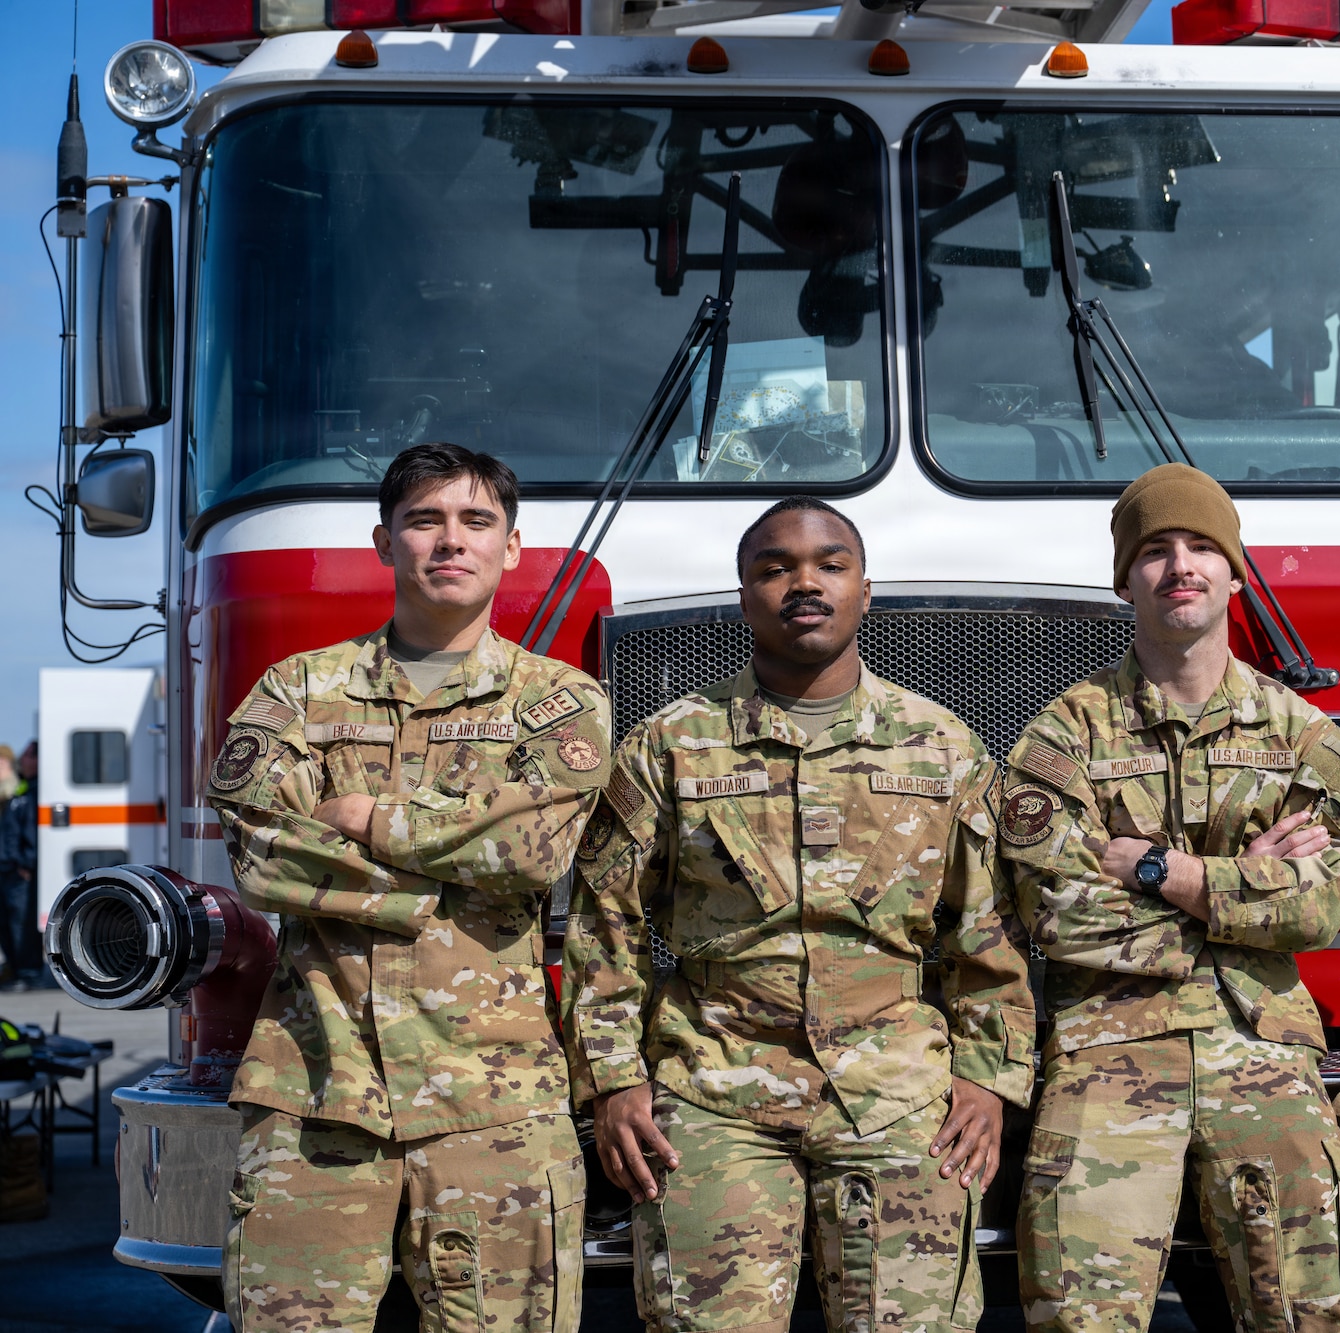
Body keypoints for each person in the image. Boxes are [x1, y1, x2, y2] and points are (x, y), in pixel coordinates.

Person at [564, 495, 1036, 1333]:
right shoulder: (669, 745)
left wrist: (989, 1079)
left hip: (898, 1094)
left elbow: (987, 930)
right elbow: (608, 926)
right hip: (713, 1087)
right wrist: (613, 1079)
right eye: (774, 567)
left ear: (865, 590)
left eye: (829, 563)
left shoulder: (942, 746)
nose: (802, 582)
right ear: (744, 595)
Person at [208, 443, 612, 1333]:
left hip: (493, 1103)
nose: (449, 541)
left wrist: (364, 817)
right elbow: (262, 850)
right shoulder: (296, 688)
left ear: (512, 547)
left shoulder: (563, 700)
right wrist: (441, 865)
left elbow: (533, 849)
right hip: (314, 1092)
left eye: (475, 521)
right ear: (384, 542)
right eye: (425, 520)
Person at [998, 463, 1340, 1333]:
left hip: (1264, 1050)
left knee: (1305, 1312)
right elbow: (1054, 909)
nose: (1180, 566)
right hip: (1105, 1052)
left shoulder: (1301, 734)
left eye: (1203, 546)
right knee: (1078, 1316)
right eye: (1156, 550)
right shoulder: (1064, 732)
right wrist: (1247, 888)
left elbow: (1319, 909)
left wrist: (1156, 869)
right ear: (1124, 578)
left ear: (1235, 571)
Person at [0, 743, 39, 992]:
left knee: (21, 922)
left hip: (17, 870)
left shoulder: (31, 793)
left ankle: (28, 972)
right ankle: (15, 968)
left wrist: (26, 863)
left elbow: (32, 832)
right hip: (6, 868)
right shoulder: (20, 792)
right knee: (7, 923)